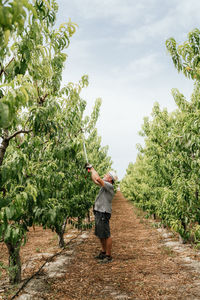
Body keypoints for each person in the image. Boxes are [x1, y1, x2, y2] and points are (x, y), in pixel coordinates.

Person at [85, 163, 117, 263]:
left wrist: (92, 168)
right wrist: (90, 171)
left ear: (110, 179)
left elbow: (98, 178)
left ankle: (108, 256)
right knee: (100, 234)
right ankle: (103, 253)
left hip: (103, 212)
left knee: (106, 234)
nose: (105, 175)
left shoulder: (109, 186)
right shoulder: (105, 186)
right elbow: (95, 180)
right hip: (99, 212)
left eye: (107, 175)